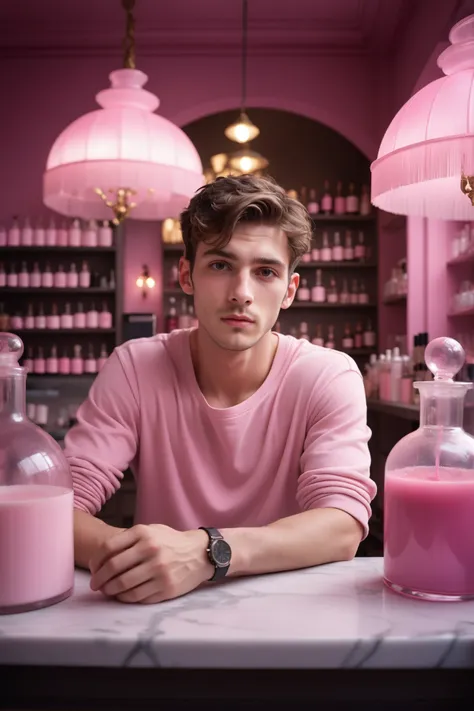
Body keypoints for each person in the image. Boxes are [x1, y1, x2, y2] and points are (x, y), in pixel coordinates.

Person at [65, 174, 377, 605]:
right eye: (220, 265)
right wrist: (142, 560)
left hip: (292, 607)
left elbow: (342, 525)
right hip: (156, 608)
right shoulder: (135, 366)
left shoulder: (328, 375)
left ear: (289, 290)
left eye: (265, 271)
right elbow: (60, 506)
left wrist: (207, 552)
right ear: (187, 275)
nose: (241, 294)